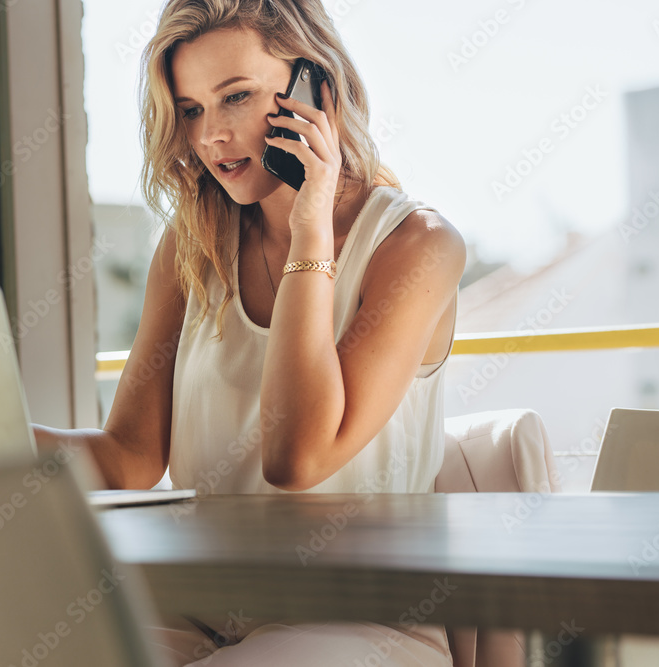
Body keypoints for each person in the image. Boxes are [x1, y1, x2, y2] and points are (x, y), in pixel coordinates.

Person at [33, 0, 465, 664]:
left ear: (314, 89)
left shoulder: (416, 247)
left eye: (235, 97)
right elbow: (129, 457)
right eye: (191, 110)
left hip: (358, 617)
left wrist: (310, 225)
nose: (211, 136)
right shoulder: (191, 243)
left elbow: (296, 456)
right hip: (203, 603)